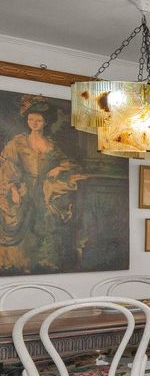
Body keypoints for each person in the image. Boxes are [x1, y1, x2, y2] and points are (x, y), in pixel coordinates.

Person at [0, 96, 88, 273]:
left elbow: (70, 163)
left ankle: (44, 262)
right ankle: (20, 265)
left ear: (45, 122)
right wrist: (13, 189)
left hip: (45, 189)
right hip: (23, 188)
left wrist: (58, 169)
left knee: (45, 223)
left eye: (38, 120)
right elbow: (7, 167)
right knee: (22, 222)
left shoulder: (51, 145)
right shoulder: (17, 143)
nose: (34, 123)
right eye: (31, 119)